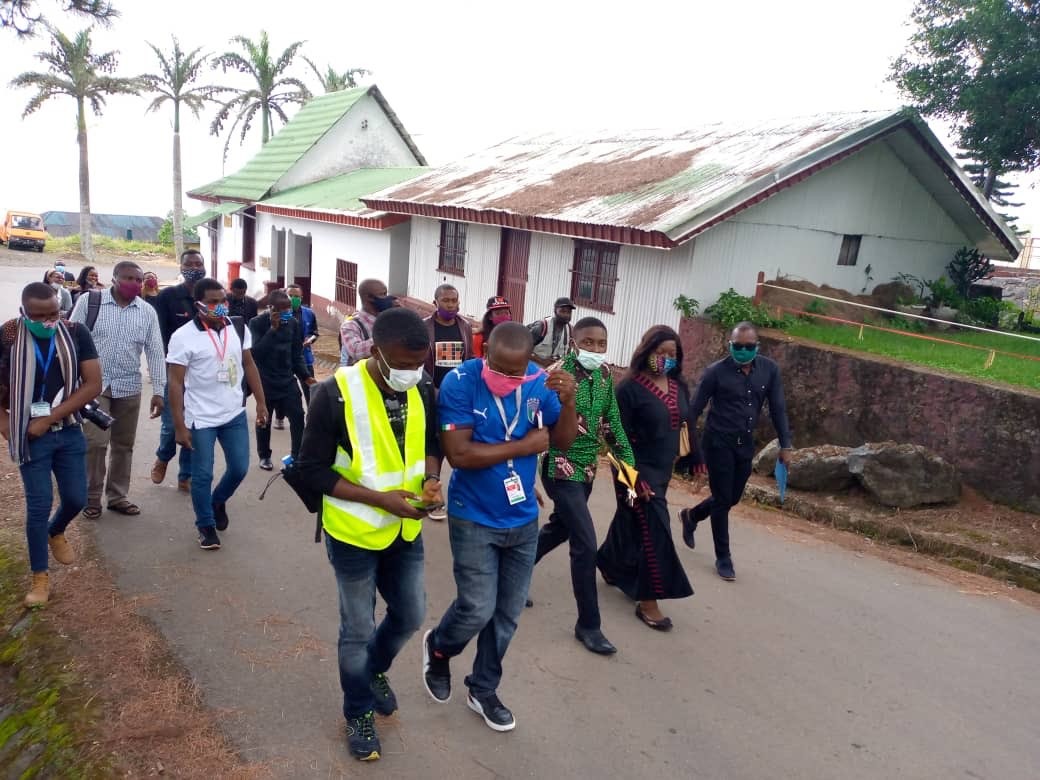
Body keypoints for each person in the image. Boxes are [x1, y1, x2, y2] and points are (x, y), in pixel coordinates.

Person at [297, 307, 443, 762]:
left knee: (411, 614)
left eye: (418, 364)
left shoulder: (421, 385)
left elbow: (432, 442)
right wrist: (381, 500)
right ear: (375, 352)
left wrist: (433, 479)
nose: (410, 373)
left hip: (404, 527)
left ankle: (373, 670)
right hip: (354, 532)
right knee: (357, 628)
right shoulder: (335, 395)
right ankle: (358, 711)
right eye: (400, 364)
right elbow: (311, 470)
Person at [423, 322, 577, 733]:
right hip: (473, 514)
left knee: (507, 615)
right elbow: (460, 454)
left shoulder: (538, 383)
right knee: (477, 607)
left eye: (517, 371)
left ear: (529, 361)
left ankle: (483, 688)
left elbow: (561, 441)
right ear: (485, 350)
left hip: (522, 516)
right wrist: (525, 447)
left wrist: (570, 400)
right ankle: (439, 649)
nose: (509, 379)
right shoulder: (460, 382)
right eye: (500, 368)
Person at [533, 317, 634, 655]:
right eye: (588, 342)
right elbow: (542, 422)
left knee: (560, 528)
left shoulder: (605, 375)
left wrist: (630, 470)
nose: (594, 349)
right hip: (559, 466)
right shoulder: (558, 375)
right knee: (585, 542)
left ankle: (511, 574)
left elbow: (612, 422)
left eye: (600, 344)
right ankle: (588, 625)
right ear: (575, 342)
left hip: (588, 468)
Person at [0, 282, 102, 607]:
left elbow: (93, 384)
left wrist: (50, 418)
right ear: (24, 313)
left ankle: (55, 530)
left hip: (68, 429)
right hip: (30, 436)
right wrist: (11, 430)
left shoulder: (75, 332)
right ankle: (40, 579)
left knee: (76, 498)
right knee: (38, 505)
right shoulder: (8, 336)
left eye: (53, 313)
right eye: (39, 316)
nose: (47, 321)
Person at [596, 325, 696, 631]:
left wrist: (695, 457)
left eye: (672, 353)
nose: (665, 358)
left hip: (662, 469)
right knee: (655, 529)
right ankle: (648, 599)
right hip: (633, 470)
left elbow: (686, 424)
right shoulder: (627, 390)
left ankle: (610, 563)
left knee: (631, 519)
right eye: (660, 352)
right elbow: (614, 438)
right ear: (646, 351)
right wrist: (632, 478)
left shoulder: (679, 386)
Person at [682, 322, 793, 581]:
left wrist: (785, 445)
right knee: (722, 501)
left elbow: (778, 409)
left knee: (731, 498)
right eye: (738, 346)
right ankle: (723, 557)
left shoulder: (769, 371)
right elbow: (694, 410)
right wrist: (687, 447)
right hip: (717, 442)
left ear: (757, 346)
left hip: (745, 444)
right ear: (730, 345)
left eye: (749, 346)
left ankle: (692, 515)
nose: (743, 350)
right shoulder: (715, 373)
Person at [167, 278, 267, 550]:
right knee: (202, 475)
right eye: (212, 301)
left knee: (239, 468)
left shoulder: (237, 327)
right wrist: (179, 426)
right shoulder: (183, 337)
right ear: (198, 304)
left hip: (233, 413)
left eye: (222, 300)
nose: (219, 306)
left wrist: (260, 402)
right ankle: (206, 526)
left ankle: (217, 500)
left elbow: (248, 364)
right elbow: (175, 383)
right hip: (201, 418)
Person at [70, 261, 166, 519]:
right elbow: (69, 340)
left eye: (138, 279)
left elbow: (156, 352)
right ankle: (91, 498)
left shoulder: (147, 312)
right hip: (92, 387)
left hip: (129, 386)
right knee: (95, 443)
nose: (134, 283)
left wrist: (159, 390)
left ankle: (117, 496)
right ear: (114, 279)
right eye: (128, 278)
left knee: (123, 445)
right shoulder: (89, 302)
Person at [151, 250, 206, 491]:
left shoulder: (211, 295)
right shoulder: (169, 296)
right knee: (172, 424)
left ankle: (186, 474)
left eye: (198, 263)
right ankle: (163, 457)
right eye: (190, 264)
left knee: (194, 424)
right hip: (176, 371)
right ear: (181, 267)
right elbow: (159, 335)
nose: (195, 267)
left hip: (203, 374)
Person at [249, 290, 314, 470]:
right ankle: (264, 456)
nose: (287, 312)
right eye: (282, 309)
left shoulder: (293, 323)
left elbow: (296, 353)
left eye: (289, 309)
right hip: (265, 381)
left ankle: (297, 456)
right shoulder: (257, 323)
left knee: (298, 417)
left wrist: (305, 376)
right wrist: (273, 329)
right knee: (264, 420)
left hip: (287, 380)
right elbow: (256, 354)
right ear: (271, 308)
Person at [272, 283, 318, 430]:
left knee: (310, 387)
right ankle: (279, 416)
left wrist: (309, 340)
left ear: (302, 297)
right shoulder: (280, 312)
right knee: (282, 388)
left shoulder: (308, 313)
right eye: (290, 295)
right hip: (283, 358)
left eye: (297, 296)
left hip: (304, 357)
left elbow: (314, 332)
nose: (293, 299)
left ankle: (312, 418)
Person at [423, 284, 474, 390]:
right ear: (435, 303)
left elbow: (469, 357)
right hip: (432, 389)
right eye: (445, 301)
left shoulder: (465, 326)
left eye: (454, 301)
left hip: (458, 389)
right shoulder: (424, 326)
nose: (450, 305)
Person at [339, 279, 396, 366]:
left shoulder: (389, 319)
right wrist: (388, 336)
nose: (387, 298)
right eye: (382, 294)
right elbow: (355, 351)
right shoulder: (350, 325)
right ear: (369, 297)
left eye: (386, 293)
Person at [528, 297, 575, 367]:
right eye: (563, 311)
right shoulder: (542, 326)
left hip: (552, 374)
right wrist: (542, 361)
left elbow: (568, 355)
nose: (566, 315)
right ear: (555, 311)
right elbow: (523, 350)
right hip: (532, 372)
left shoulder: (570, 330)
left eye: (569, 312)